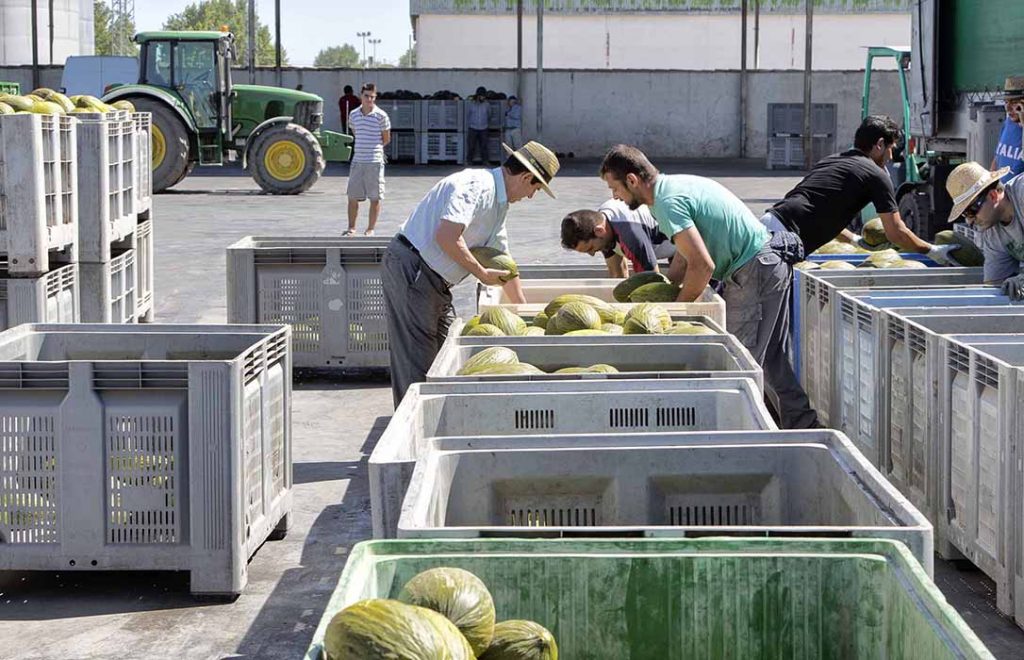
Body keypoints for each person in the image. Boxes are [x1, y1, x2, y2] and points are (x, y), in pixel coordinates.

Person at [599, 144, 819, 429]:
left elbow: (703, 266)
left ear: (631, 180)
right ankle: (803, 426)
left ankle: (739, 436)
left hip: (754, 270)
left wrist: (676, 312)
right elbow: (684, 256)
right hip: (764, 264)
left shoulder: (667, 202)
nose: (614, 197)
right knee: (771, 360)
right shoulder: (671, 189)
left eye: (614, 188)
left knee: (736, 362)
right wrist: (666, 289)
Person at [382, 141, 560, 406]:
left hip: (435, 281)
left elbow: (504, 262)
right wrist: (481, 273)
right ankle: (411, 424)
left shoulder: (499, 204)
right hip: (414, 269)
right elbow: (447, 236)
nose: (531, 196)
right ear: (525, 177)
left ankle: (434, 418)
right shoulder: (477, 186)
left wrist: (523, 312)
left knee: (445, 358)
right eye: (535, 188)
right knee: (416, 361)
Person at [761, 115, 959, 264]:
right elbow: (896, 232)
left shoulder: (832, 160)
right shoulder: (875, 173)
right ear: (880, 145)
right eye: (891, 148)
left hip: (767, 224)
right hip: (783, 242)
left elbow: (819, 210)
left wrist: (854, 239)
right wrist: (932, 250)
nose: (891, 156)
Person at [945, 161, 1024, 299]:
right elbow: (994, 285)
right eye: (964, 215)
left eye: (971, 211)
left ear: (993, 196)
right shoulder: (992, 235)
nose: (969, 221)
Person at [560, 200, 678, 278]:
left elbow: (651, 279)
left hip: (682, 242)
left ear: (599, 231)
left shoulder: (630, 235)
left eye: (590, 248)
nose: (592, 254)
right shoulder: (601, 222)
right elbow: (617, 274)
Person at [345, 83, 391, 236]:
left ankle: (370, 229)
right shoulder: (353, 115)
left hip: (374, 162)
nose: (369, 99)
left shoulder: (381, 116)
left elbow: (386, 138)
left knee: (375, 197)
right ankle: (351, 228)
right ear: (361, 96)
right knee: (352, 196)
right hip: (358, 160)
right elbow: (355, 132)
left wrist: (374, 149)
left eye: (372, 97)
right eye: (366, 96)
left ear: (375, 97)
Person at [991, 76, 1024, 183]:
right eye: (1006, 102)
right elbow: (998, 157)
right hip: (1002, 190)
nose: (1008, 108)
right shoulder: (1008, 122)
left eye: (1014, 102)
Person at [467, 86, 490, 165]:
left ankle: (485, 161)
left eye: (484, 96)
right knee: (471, 146)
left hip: (484, 128)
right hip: (473, 127)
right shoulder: (471, 104)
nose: (483, 97)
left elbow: (489, 114)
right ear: (478, 96)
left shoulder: (487, 104)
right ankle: (469, 161)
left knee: (484, 146)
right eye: (482, 96)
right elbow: (468, 114)